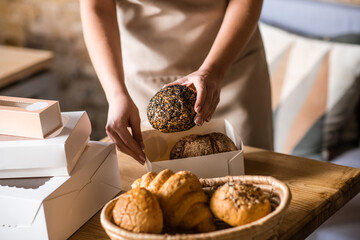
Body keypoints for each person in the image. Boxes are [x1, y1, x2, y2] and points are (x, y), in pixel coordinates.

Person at [80, 0, 273, 165]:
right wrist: (116, 94)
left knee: (252, 168)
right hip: (145, 76)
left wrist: (214, 70)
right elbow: (98, 6)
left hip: (230, 65)